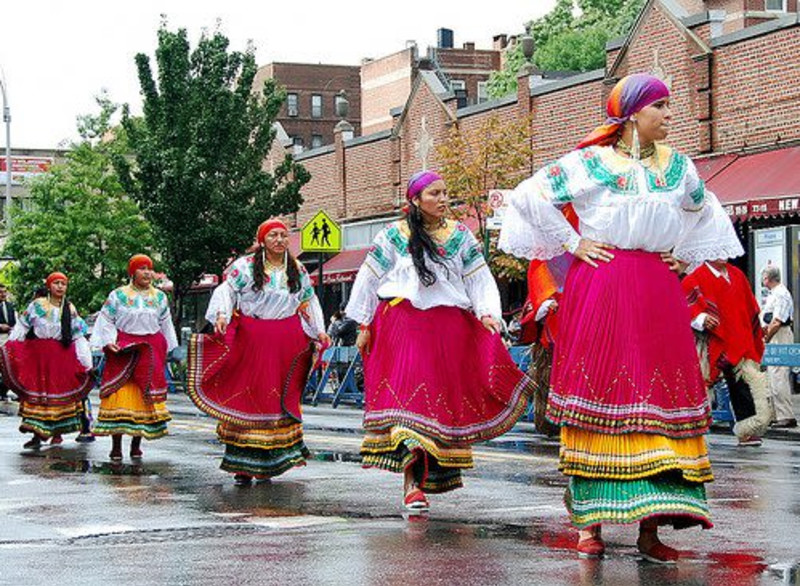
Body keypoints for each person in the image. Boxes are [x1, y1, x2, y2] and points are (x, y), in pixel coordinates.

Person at [499, 73, 744, 562]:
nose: (670, 115)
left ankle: (650, 530)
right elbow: (529, 195)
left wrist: (686, 257)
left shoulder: (680, 168)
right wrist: (573, 243)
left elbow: (705, 209)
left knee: (658, 398)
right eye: (663, 107)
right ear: (634, 114)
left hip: (656, 289)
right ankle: (590, 524)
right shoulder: (592, 162)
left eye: (671, 106)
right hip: (604, 285)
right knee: (601, 393)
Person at [346, 170, 533, 513]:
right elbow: (369, 276)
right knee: (409, 404)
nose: (443, 199)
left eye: (446, 192)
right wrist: (363, 321)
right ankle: (411, 484)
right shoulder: (393, 235)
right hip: (403, 324)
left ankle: (425, 476)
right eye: (435, 193)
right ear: (416, 200)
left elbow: (478, 278)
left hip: (447, 328)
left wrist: (488, 312)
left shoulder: (460, 236)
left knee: (437, 404)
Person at [187, 219, 329, 485]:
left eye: (283, 235)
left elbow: (308, 302)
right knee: (249, 397)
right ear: (262, 240)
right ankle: (242, 467)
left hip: (285, 342)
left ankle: (271, 464)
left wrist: (319, 330)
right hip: (252, 340)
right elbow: (227, 291)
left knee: (277, 400)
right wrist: (222, 315)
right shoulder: (246, 267)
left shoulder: (296, 269)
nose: (279, 240)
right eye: (273, 235)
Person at [90, 254, 178, 461]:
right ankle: (116, 446)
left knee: (143, 397)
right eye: (142, 268)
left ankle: (136, 444)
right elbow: (106, 320)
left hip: (150, 348)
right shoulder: (118, 295)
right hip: (124, 349)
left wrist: (169, 349)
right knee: (118, 395)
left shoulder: (159, 297)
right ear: (132, 272)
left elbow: (165, 324)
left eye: (150, 268)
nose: (147, 272)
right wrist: (108, 341)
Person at [682, 260, 772, 446]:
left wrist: (758, 326)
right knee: (701, 384)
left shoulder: (737, 274)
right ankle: (692, 430)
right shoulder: (696, 276)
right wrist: (701, 318)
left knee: (742, 383)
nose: (723, 256)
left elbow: (750, 305)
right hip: (708, 340)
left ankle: (747, 428)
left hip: (739, 337)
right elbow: (684, 305)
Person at [0, 272, 93, 448]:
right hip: (38, 356)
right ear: (49, 286)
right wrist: (11, 345)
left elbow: (78, 335)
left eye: (63, 284)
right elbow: (22, 326)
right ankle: (37, 435)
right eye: (56, 283)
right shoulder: (37, 306)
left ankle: (56, 433)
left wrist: (86, 363)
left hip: (62, 356)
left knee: (57, 396)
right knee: (38, 396)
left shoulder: (70, 309)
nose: (60, 287)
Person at [761, 265, 798, 428]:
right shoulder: (774, 294)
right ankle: (776, 414)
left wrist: (766, 339)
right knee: (773, 375)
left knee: (778, 374)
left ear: (768, 278)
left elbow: (777, 321)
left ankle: (786, 415)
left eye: (764, 277)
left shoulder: (781, 294)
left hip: (779, 335)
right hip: (774, 334)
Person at [0, 284, 17, 401]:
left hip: (9, 339)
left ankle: (3, 391)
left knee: (8, 366)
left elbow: (14, 322)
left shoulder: (10, 306)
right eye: (1, 292)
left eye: (4, 292)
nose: (3, 294)